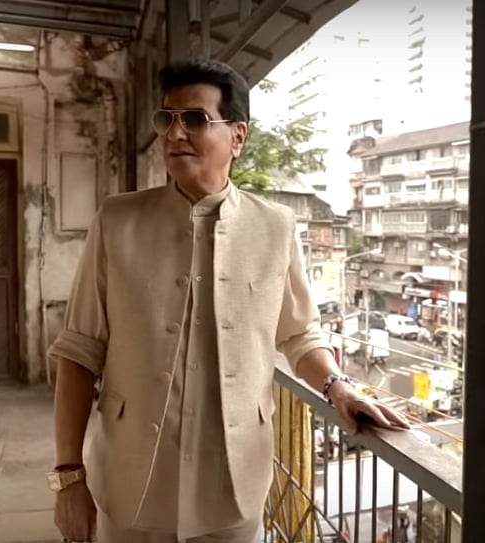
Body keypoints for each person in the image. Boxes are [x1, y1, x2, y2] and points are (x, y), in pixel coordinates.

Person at [47, 58, 410, 543]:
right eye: (167, 118)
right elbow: (79, 351)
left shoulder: (275, 226)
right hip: (130, 483)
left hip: (234, 489)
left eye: (195, 119)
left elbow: (300, 334)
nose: (175, 133)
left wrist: (339, 387)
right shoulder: (117, 221)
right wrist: (69, 478)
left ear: (238, 137)